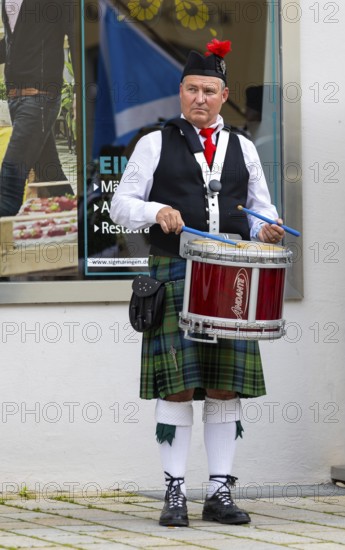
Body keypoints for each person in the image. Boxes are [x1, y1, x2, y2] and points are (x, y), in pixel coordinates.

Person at [110, 38, 285, 527]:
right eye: (192, 90)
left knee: (226, 389)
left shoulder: (243, 148)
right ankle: (174, 492)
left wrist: (264, 228)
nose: (200, 99)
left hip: (229, 280)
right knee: (178, 389)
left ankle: (220, 493)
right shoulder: (153, 143)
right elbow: (120, 205)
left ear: (223, 94)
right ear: (181, 91)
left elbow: (261, 211)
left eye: (209, 90)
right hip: (174, 273)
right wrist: (155, 209)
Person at [0, 0, 75, 218]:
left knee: (10, 180)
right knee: (49, 173)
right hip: (16, 98)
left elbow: (75, 35)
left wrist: (82, 95)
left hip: (40, 98)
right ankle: (82, 223)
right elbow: (13, 43)